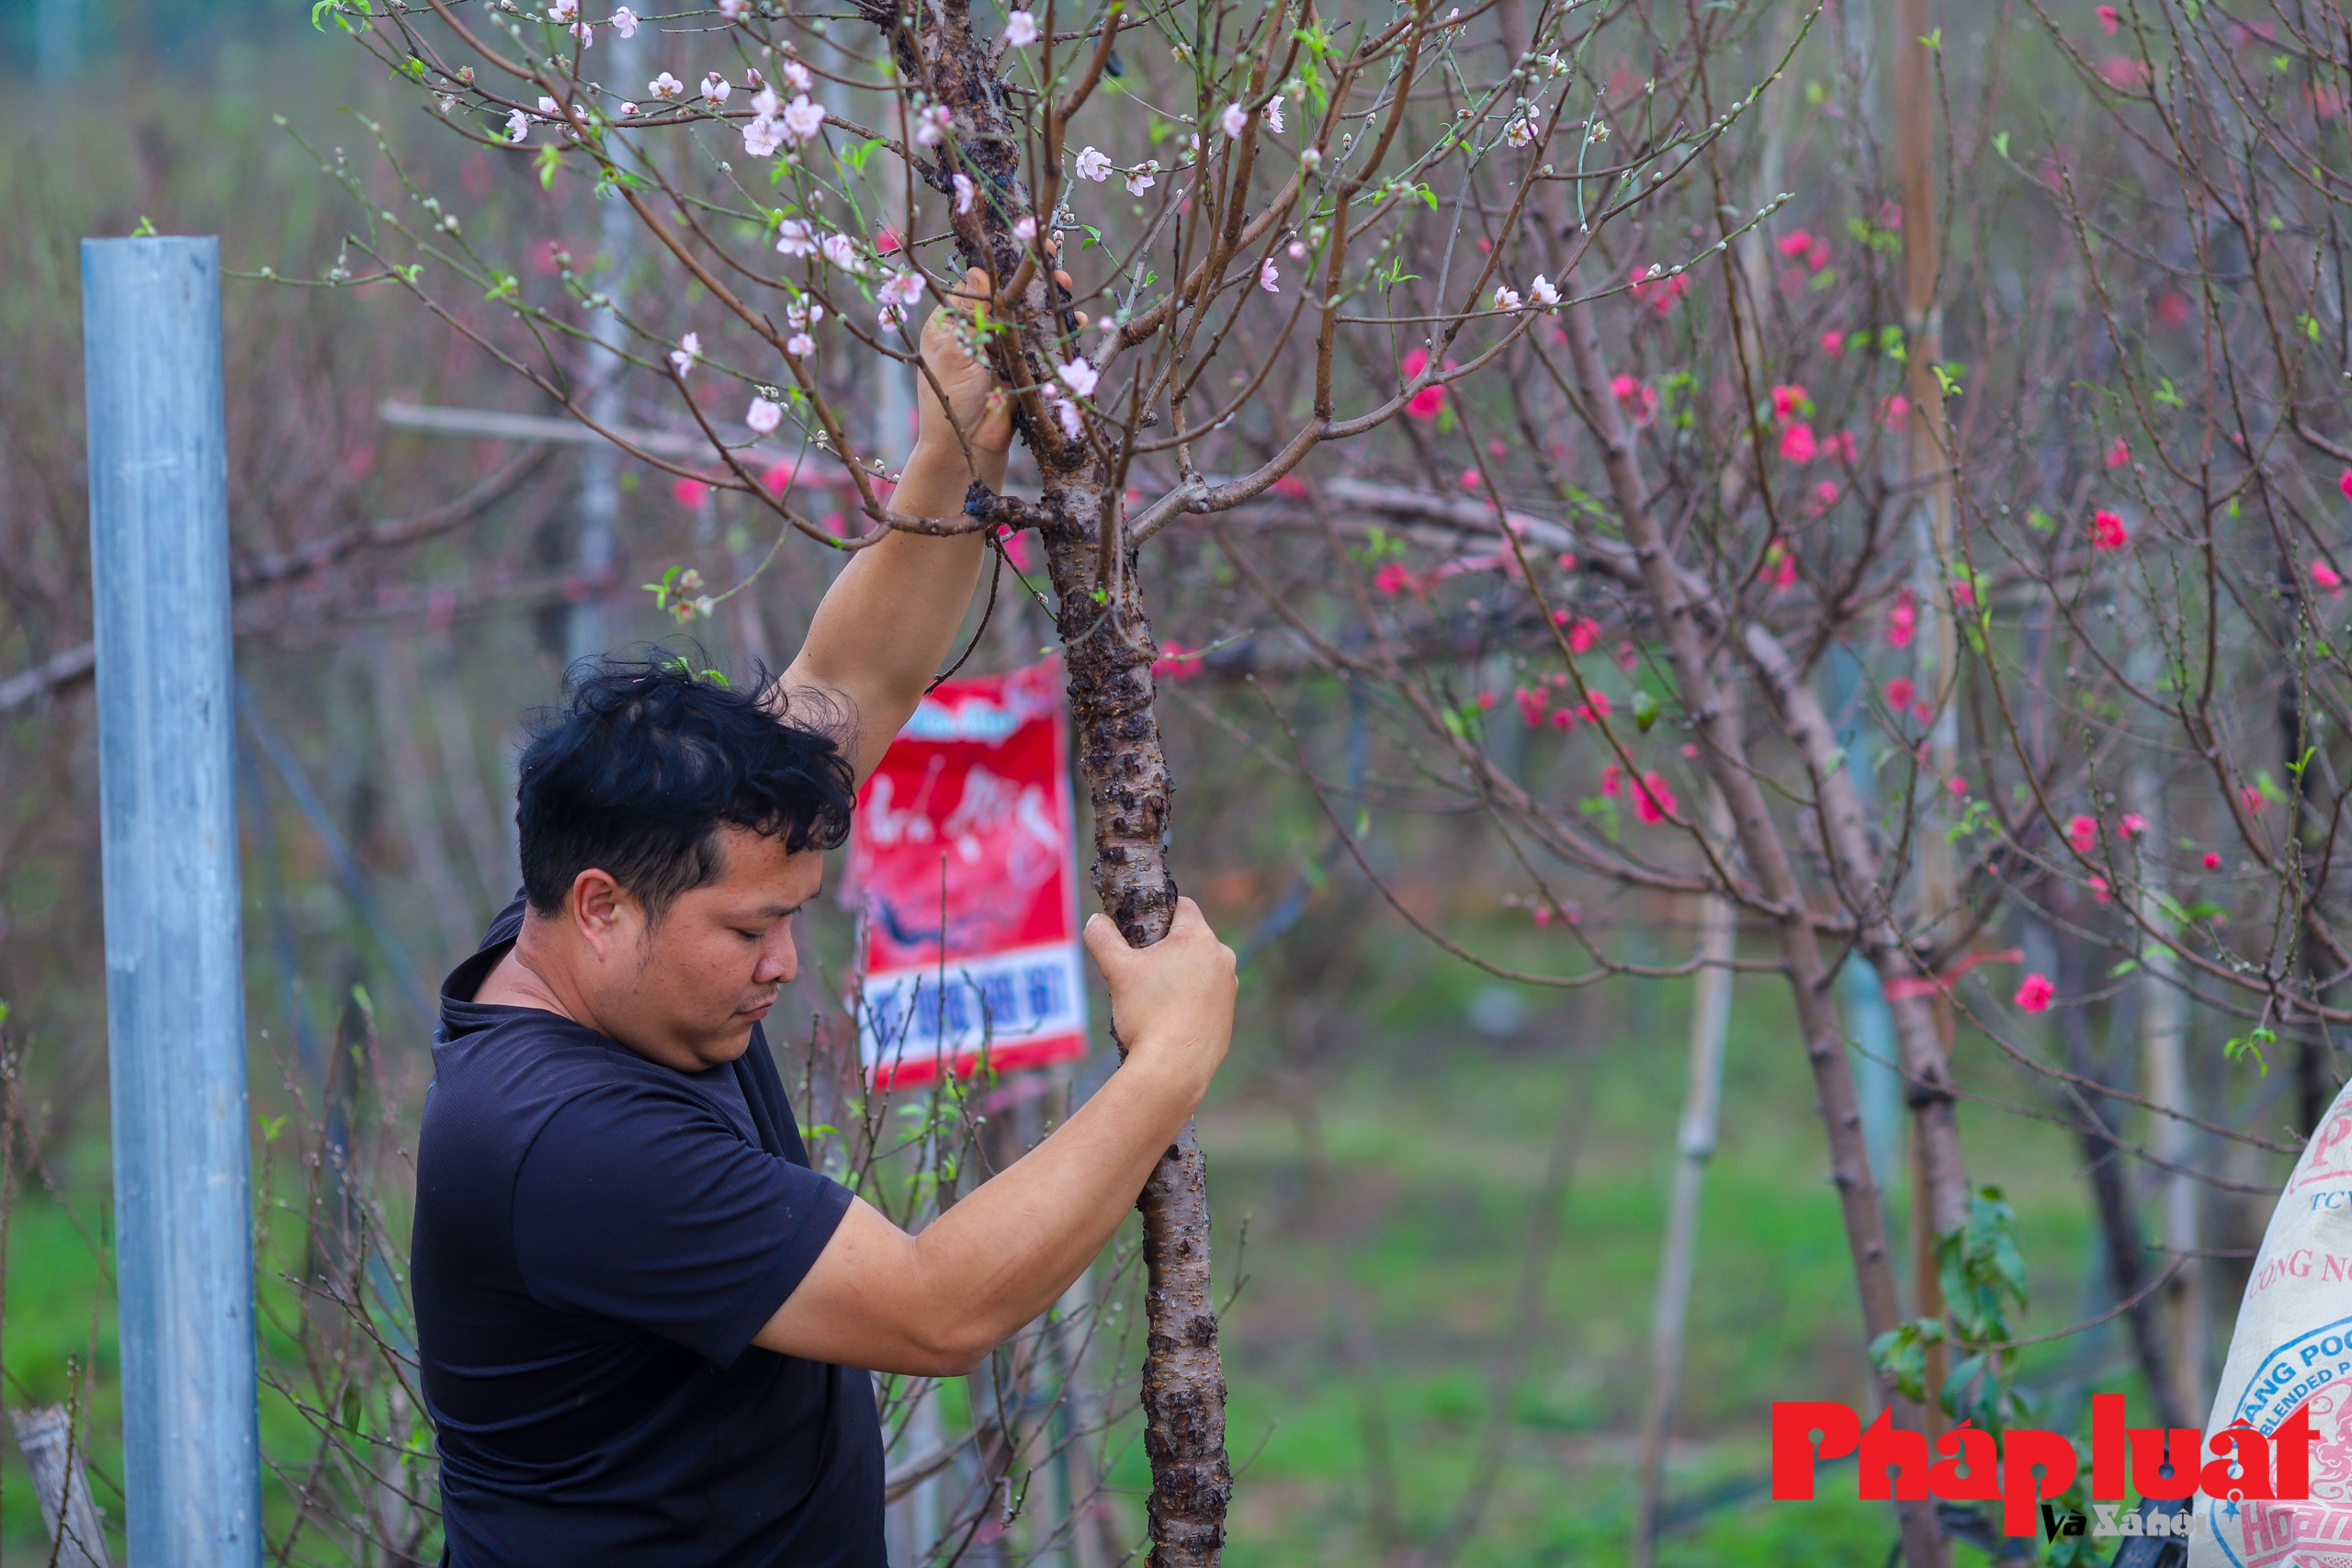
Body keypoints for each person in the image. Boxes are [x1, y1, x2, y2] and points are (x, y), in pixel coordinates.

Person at [410, 269, 1238, 1566]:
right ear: (601, 907)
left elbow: (854, 678)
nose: (784, 967)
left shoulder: (600, 910)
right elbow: (934, 1310)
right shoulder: (564, 1141)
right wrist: (1171, 1062)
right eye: (748, 933)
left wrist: (957, 443)